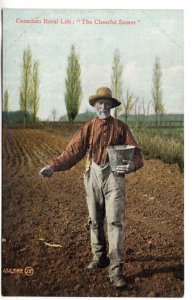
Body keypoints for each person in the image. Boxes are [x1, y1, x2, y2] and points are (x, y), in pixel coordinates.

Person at [39, 87, 143, 288]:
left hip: (114, 177)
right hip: (92, 174)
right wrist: (53, 166)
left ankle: (116, 270)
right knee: (94, 219)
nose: (103, 106)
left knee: (115, 223)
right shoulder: (88, 128)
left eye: (106, 103)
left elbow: (137, 155)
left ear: (112, 106)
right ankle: (99, 256)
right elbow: (73, 152)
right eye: (99, 103)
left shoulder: (121, 128)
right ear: (95, 106)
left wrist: (132, 165)